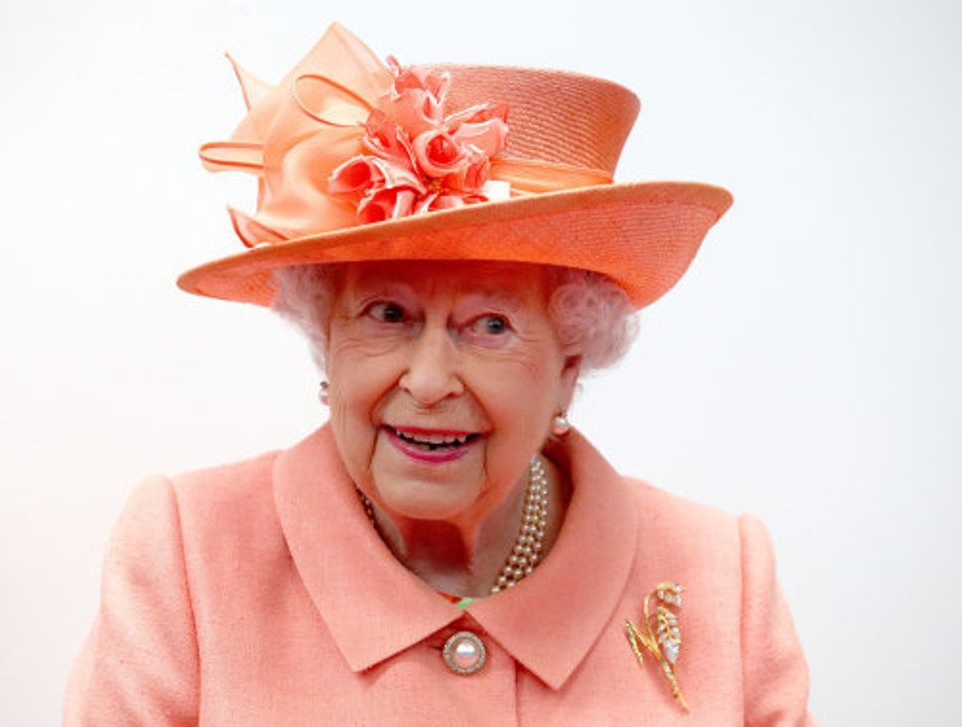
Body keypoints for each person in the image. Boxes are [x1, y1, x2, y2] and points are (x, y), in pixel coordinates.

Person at [64, 22, 813, 725]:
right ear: (326, 338)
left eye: (490, 325)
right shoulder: (187, 555)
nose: (428, 381)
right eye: (387, 314)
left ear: (569, 365)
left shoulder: (723, 575)